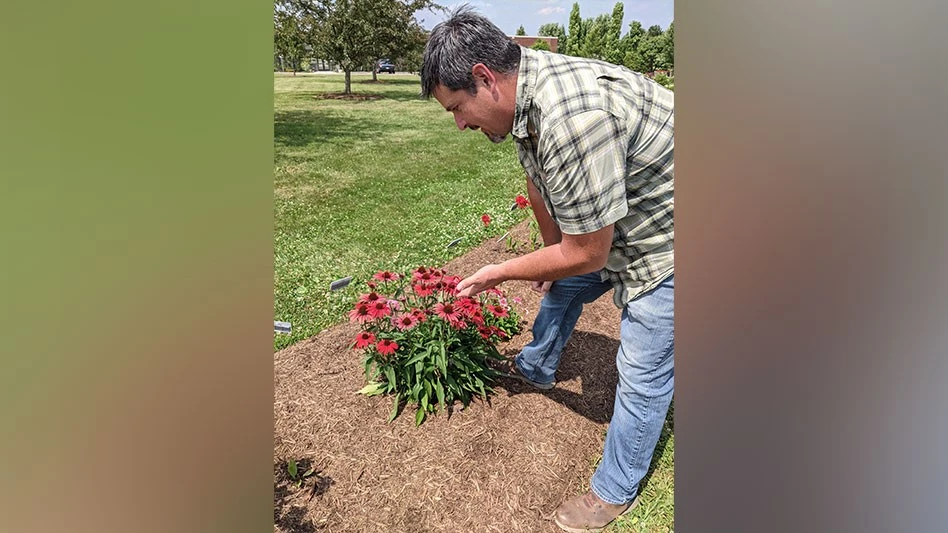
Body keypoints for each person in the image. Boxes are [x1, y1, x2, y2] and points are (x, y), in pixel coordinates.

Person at [421, 7, 674, 533]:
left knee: (644, 371)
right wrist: (550, 251)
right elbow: (540, 185)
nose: (460, 123)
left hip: (671, 233)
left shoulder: (572, 118)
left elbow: (590, 252)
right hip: (619, 217)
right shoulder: (525, 96)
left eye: (457, 108)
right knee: (563, 287)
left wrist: (501, 270)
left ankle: (613, 491)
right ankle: (536, 366)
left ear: (484, 79)